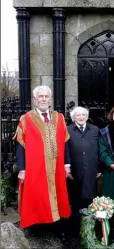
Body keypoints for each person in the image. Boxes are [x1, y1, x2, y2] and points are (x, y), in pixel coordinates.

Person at [13, 85, 71, 244]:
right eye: (40, 97)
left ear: (50, 99)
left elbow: (65, 143)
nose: (44, 99)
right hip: (35, 168)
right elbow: (20, 145)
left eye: (46, 96)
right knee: (36, 197)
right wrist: (22, 169)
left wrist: (67, 165)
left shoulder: (59, 118)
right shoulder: (26, 119)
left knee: (58, 196)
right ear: (35, 99)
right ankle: (35, 228)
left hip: (57, 168)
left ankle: (60, 228)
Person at [66, 106, 100, 230]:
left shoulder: (95, 130)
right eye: (78, 115)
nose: (81, 117)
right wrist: (67, 167)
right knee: (75, 199)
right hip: (74, 171)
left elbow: (100, 150)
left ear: (87, 116)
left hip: (91, 170)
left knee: (90, 198)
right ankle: (76, 227)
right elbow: (65, 151)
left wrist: (99, 168)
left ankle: (90, 226)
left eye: (83, 115)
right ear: (74, 117)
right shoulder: (67, 130)